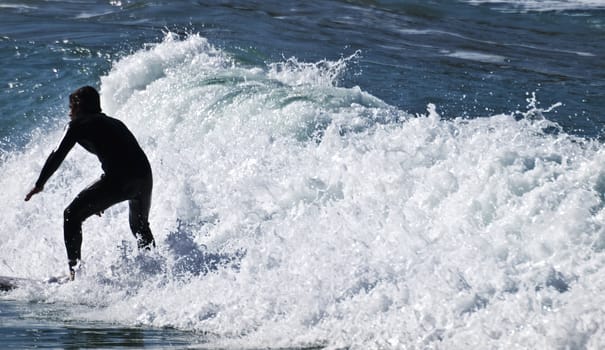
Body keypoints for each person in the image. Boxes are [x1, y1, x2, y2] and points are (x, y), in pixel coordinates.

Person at [25, 86, 155, 279]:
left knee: (71, 215)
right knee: (140, 227)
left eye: (71, 107)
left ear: (78, 106)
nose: (69, 112)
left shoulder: (77, 125)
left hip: (119, 179)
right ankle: (155, 270)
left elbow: (57, 154)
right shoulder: (115, 123)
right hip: (144, 177)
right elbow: (124, 157)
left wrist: (40, 183)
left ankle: (74, 276)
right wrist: (101, 196)